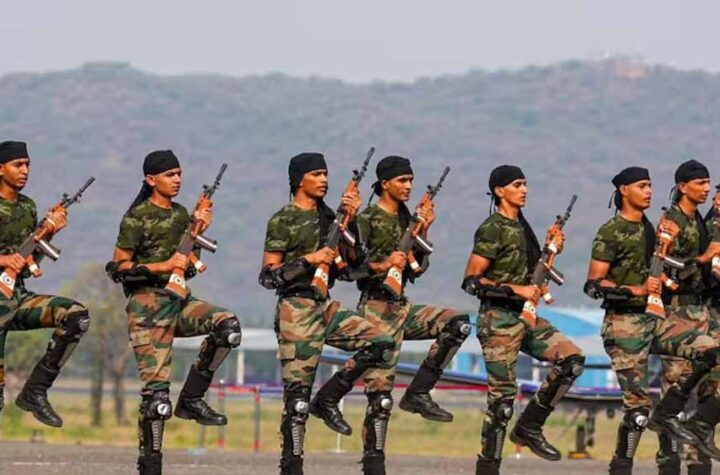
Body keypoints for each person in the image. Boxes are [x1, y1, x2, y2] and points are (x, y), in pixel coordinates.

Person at [259, 152, 395, 475]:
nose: (324, 180)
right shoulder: (283, 219)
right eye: (317, 174)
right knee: (297, 404)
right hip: (295, 309)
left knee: (380, 343)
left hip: (326, 305)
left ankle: (329, 397)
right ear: (299, 180)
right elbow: (268, 276)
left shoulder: (331, 217)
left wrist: (352, 219)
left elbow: (352, 267)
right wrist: (309, 260)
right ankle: (291, 467)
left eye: (326, 174)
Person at [107, 150, 241, 475]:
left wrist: (197, 233)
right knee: (157, 402)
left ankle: (192, 398)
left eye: (179, 173)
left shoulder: (181, 214)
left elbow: (188, 268)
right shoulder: (136, 217)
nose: (177, 179)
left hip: (179, 302)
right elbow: (118, 268)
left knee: (228, 327)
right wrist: (162, 266)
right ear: (151, 179)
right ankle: (150, 466)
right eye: (170, 174)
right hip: (147, 309)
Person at [585, 166, 719, 475]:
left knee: (710, 355)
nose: (649, 191)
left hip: (658, 321)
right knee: (637, 412)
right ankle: (625, 466)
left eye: (649, 186)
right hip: (625, 324)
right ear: (624, 190)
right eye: (642, 186)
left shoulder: (653, 228)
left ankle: (670, 416)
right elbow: (593, 285)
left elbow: (666, 273)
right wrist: (638, 289)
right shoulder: (613, 230)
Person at [463, 165, 585, 475]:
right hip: (498, 319)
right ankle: (488, 468)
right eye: (517, 185)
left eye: (525, 184)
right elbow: (472, 281)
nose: (524, 190)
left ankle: (530, 426)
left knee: (571, 360)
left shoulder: (522, 227)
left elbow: (533, 274)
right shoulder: (492, 228)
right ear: (499, 191)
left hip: (525, 317)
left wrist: (551, 251)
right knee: (502, 403)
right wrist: (516, 290)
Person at [0, 140, 90, 428]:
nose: (25, 170)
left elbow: (28, 260)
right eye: (18, 165)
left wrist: (48, 232)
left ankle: (35, 391)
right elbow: (11, 259)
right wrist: (5, 260)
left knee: (76, 316)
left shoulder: (27, 207)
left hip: (17, 298)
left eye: (27, 165)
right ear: (0, 169)